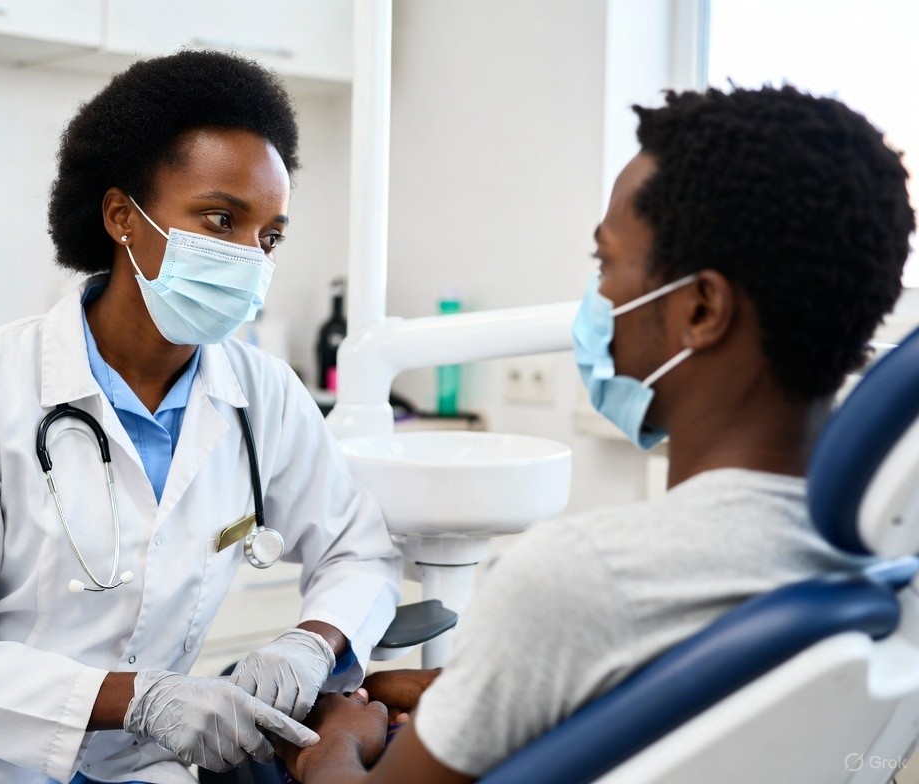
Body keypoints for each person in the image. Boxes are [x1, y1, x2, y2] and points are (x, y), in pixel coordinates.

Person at [275, 84, 916, 784]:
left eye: (606, 263)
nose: (597, 299)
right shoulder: (880, 571)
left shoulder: (585, 578)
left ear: (701, 309)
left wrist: (335, 743)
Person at [0, 50, 401, 784]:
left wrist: (312, 643)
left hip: (142, 764)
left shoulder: (263, 394)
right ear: (122, 217)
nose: (250, 258)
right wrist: (137, 697)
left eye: (269, 235)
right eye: (220, 218)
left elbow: (361, 551)